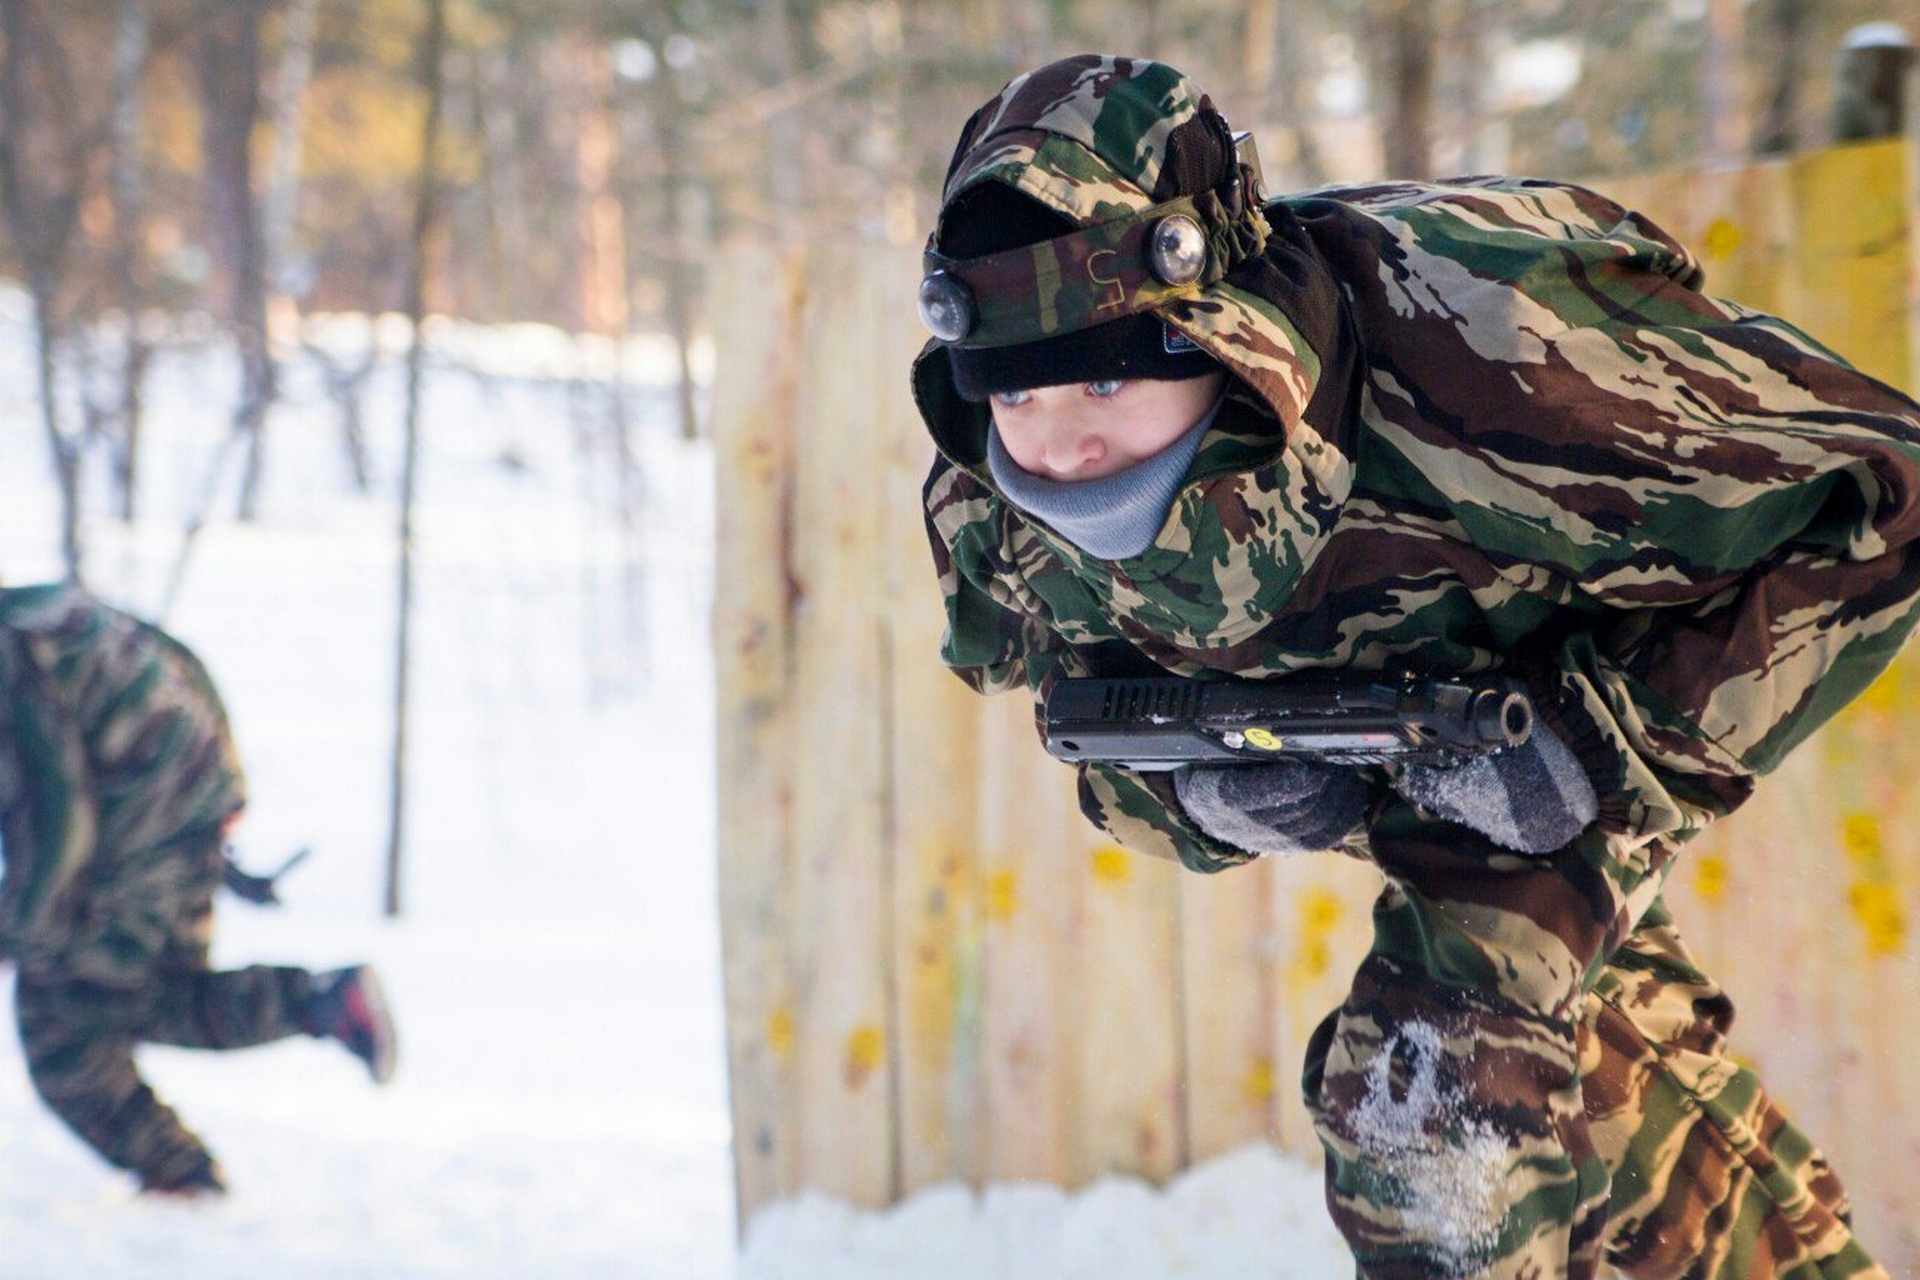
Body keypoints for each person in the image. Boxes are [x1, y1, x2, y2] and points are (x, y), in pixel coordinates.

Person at [910, 53, 1920, 1280]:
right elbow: (1093, 724)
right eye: (1015, 399)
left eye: (1111, 376)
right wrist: (1210, 790)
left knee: (1426, 1097)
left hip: (1605, 695)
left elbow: (1889, 501)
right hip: (1436, 750)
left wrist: (1610, 745)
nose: (1060, 445)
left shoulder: (1497, 339)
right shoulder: (994, 507)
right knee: (1591, 1076)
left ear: (1216, 330)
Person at [0, 582, 397, 1197]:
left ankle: (182, 1181)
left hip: (139, 836)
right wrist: (220, 788)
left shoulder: (8, 657)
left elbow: (60, 818)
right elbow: (177, 655)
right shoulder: (42, 607)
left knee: (61, 1024)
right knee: (149, 992)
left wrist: (17, 933)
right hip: (186, 811)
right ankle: (319, 1002)